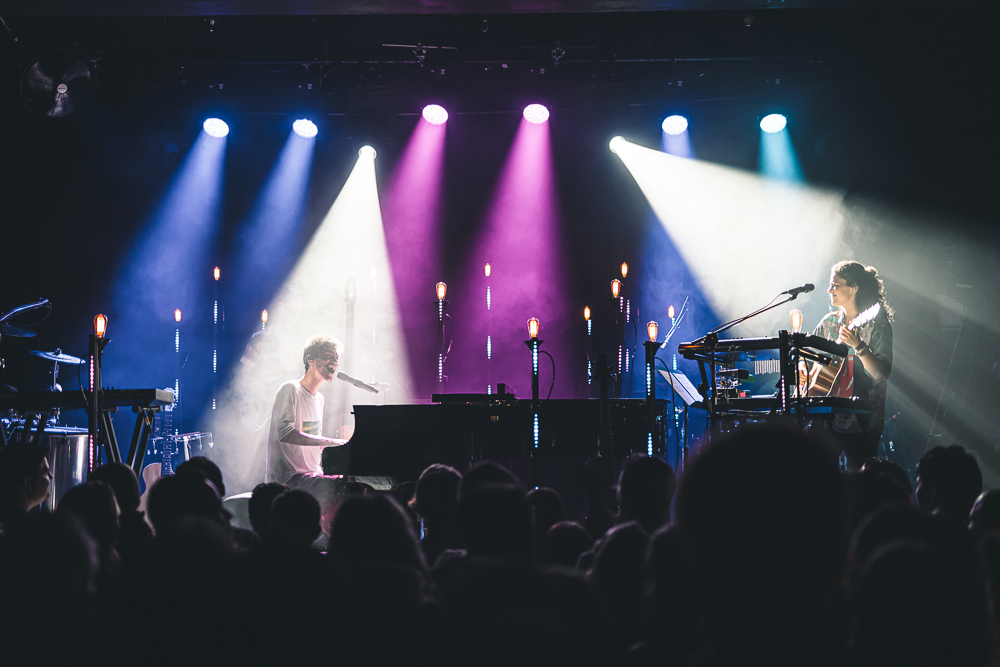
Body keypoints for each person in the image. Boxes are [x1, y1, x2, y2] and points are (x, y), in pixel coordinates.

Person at [810, 260, 893, 469]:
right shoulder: (828, 322)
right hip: (825, 416)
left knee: (859, 481)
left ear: (854, 288)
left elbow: (880, 374)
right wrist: (805, 369)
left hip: (861, 418)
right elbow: (809, 359)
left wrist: (859, 346)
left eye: (835, 285)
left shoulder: (875, 324)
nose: (829, 290)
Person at [265, 335, 347, 532]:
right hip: (289, 480)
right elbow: (286, 433)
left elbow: (312, 439)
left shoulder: (318, 398)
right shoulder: (290, 389)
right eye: (329, 356)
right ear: (310, 359)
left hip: (312, 475)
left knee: (353, 482)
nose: (335, 362)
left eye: (337, 359)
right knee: (342, 487)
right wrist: (333, 442)